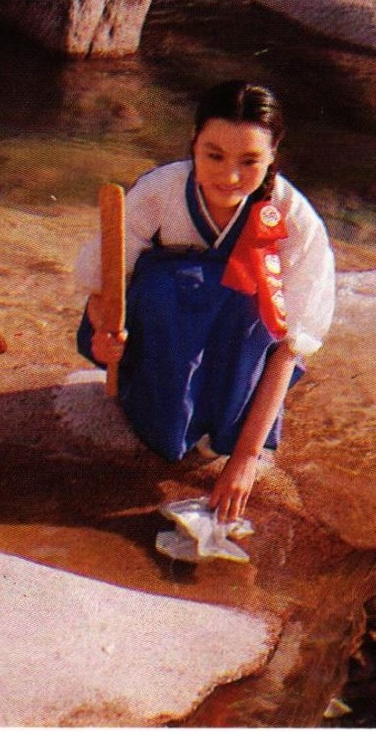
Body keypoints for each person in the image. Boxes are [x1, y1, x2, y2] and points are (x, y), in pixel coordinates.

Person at [74, 80, 335, 523]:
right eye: (214, 155)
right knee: (162, 284)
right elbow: (104, 284)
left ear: (274, 154)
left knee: (254, 305)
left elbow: (293, 342)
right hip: (167, 328)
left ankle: (226, 425)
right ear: (193, 142)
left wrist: (247, 458)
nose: (229, 176)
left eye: (249, 160)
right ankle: (162, 411)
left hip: (240, 343)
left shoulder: (294, 217)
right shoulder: (159, 191)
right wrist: (104, 335)